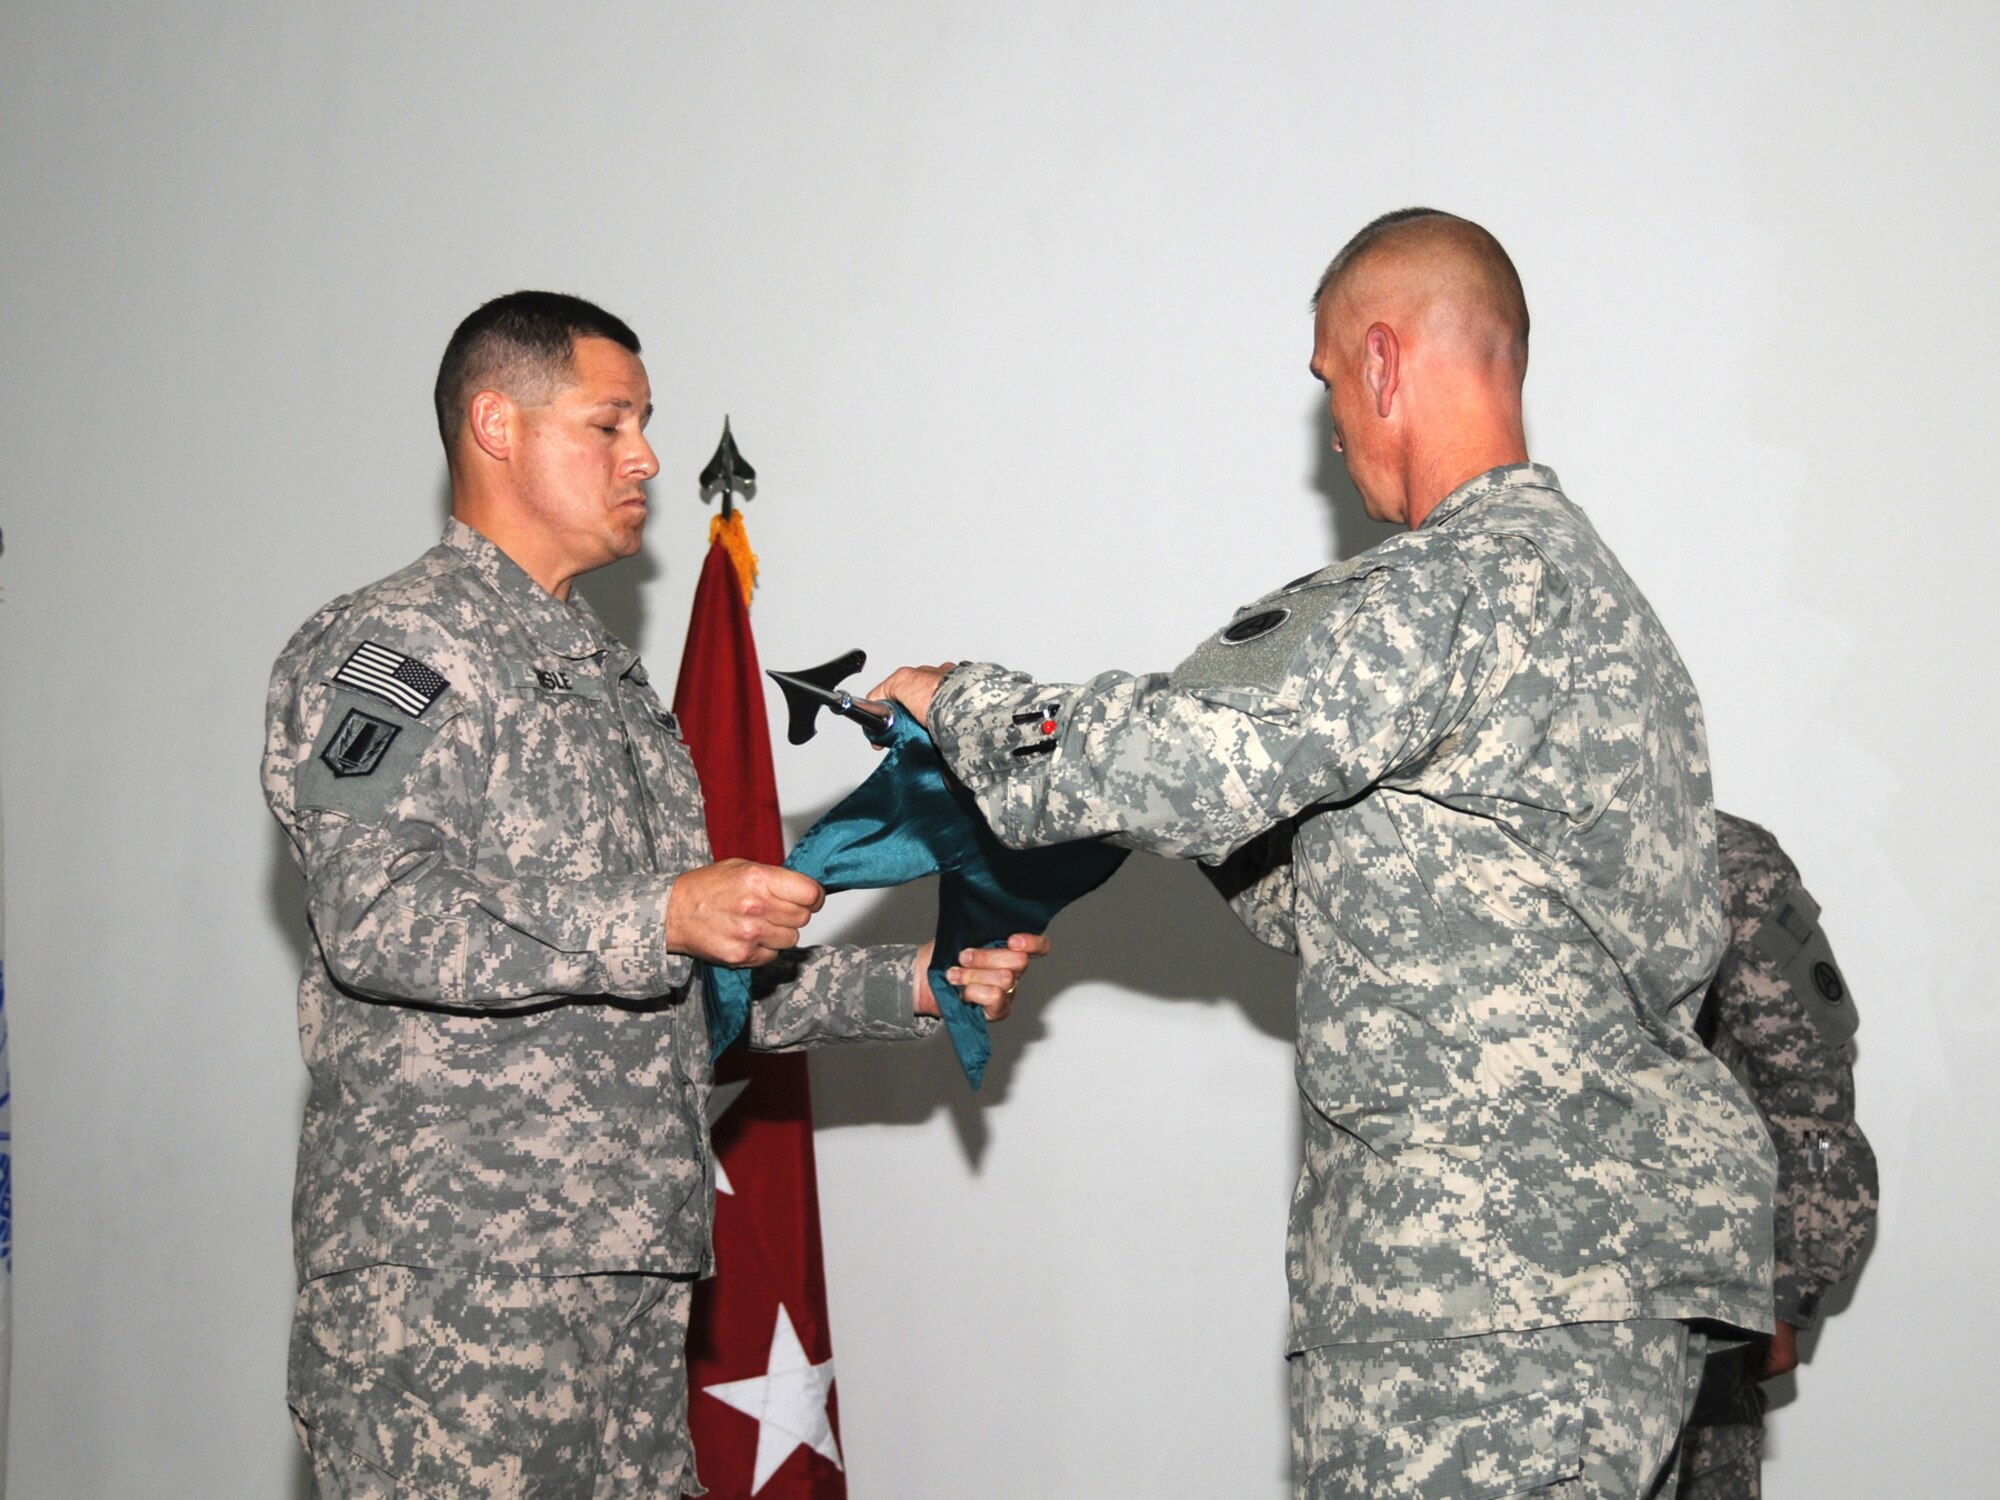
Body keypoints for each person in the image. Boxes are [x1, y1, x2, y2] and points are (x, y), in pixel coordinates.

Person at [873, 210, 1777, 1498]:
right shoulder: (1616, 624)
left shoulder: (1445, 590)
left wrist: (963, 699)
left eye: (1327, 384)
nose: (1334, 427)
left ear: (1383, 363)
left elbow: (1187, 761)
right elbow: (1376, 898)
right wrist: (1216, 834)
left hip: (1477, 1304)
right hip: (1588, 1286)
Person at [262, 291, 1047, 1498]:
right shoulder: (394, 649)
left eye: (646, 423)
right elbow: (379, 918)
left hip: (629, 1265)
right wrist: (658, 913)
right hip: (458, 1283)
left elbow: (684, 986)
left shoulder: (610, 687)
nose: (647, 457)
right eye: (608, 422)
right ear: (496, 425)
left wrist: (917, 984)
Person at [1676, 812, 1878, 1499]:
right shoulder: (1428, 834)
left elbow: (1811, 1103)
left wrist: (1790, 1288)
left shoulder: (1722, 860)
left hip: (1694, 1317)